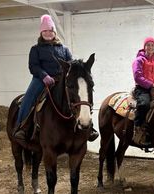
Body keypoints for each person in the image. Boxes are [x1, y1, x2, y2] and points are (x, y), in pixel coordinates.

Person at [13, 14, 98, 142]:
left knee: (79, 96)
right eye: (45, 31)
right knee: (29, 98)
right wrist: (44, 76)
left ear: (54, 32)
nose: (48, 33)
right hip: (41, 79)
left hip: (62, 79)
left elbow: (71, 64)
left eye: (50, 30)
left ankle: (88, 126)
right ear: (41, 33)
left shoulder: (64, 49)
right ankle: (22, 127)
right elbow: (33, 66)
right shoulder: (35, 49)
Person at [132, 37, 154, 146]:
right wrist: (151, 84)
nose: (150, 47)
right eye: (148, 45)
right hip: (142, 88)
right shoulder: (139, 60)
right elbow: (138, 77)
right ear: (144, 47)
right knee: (144, 104)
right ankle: (138, 128)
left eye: (152, 45)